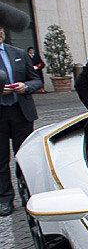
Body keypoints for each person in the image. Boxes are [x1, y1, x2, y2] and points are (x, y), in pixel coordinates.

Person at [0, 25, 42, 216]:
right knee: (1, 160)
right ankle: (5, 199)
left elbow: (36, 80)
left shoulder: (18, 53)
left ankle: (29, 195)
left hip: (21, 113)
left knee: (24, 156)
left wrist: (26, 86)